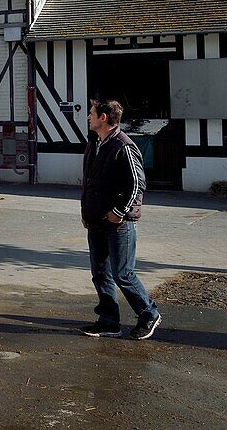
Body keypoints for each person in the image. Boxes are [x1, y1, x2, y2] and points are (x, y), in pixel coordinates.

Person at [79, 98, 163, 340]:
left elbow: (137, 184)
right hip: (96, 222)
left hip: (118, 225)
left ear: (103, 118)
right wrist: (86, 213)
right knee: (100, 272)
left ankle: (149, 314)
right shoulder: (96, 144)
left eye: (92, 113)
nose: (89, 117)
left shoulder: (123, 146)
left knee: (123, 274)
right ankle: (108, 321)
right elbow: (90, 183)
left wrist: (120, 212)